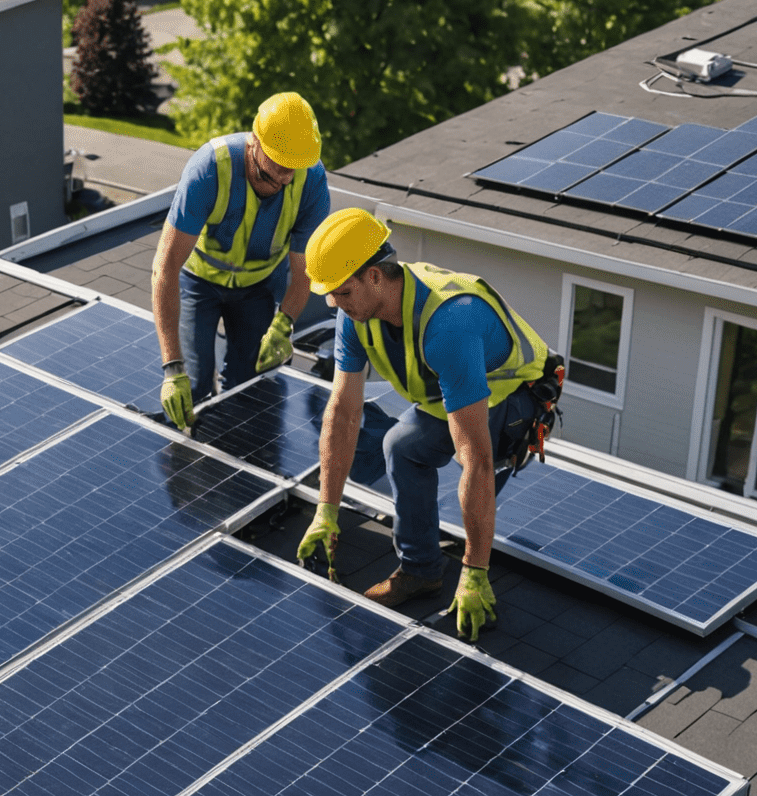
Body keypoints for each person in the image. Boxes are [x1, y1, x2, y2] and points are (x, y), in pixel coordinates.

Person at [296, 209, 557, 641]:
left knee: (474, 464)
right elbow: (343, 412)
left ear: (375, 277)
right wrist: (327, 511)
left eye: (341, 292)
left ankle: (469, 571)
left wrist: (474, 570)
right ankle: (421, 570)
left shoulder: (450, 324)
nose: (332, 304)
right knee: (400, 445)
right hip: (454, 386)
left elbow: (474, 458)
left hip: (510, 393)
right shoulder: (355, 314)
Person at [153, 92, 330, 429]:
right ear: (253, 143)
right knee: (194, 384)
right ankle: (187, 466)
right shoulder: (209, 170)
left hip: (259, 287)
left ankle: (236, 459)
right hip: (199, 283)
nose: (281, 182)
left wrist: (284, 324)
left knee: (251, 385)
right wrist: (172, 368)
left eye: (290, 172)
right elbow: (165, 268)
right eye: (271, 173)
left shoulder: (311, 182)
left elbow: (303, 273)